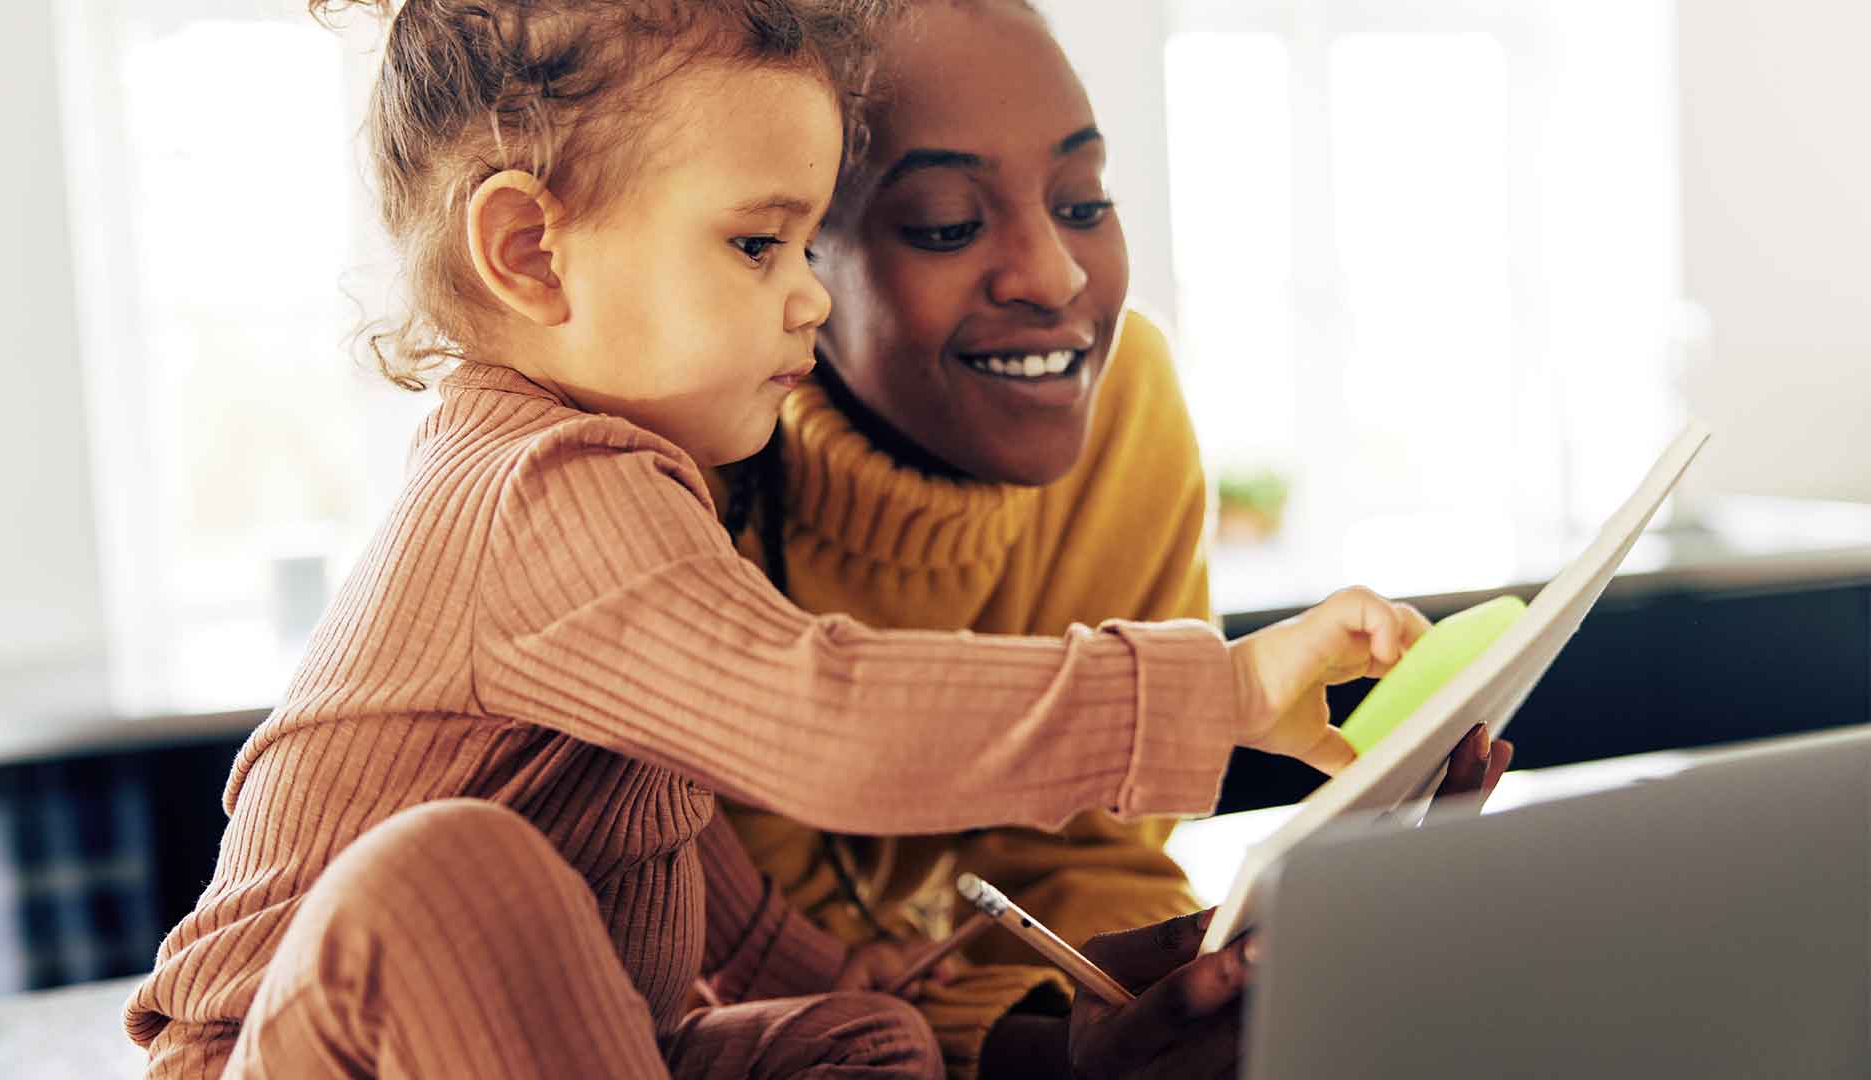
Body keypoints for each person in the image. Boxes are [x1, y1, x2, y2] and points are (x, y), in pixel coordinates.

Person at [121, 2, 1433, 1076]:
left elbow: (687, 862)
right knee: (449, 873)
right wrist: (1227, 685)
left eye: (807, 238)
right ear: (532, 253)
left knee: (857, 1041)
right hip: (292, 1052)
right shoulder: (537, 490)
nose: (808, 290)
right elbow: (830, 720)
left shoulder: (637, 485)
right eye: (757, 244)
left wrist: (893, 990)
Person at [712, 2, 1514, 1075]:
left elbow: (1095, 849)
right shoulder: (675, 481)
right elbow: (732, 967)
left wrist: (1198, 975)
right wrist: (1039, 1046)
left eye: (1084, 200)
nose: (1053, 277)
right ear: (796, 257)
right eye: (948, 223)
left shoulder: (1123, 397)